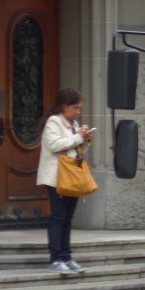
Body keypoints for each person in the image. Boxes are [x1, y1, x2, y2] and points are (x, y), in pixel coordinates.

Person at [36, 88, 94, 274]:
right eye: (75, 108)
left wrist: (85, 140)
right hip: (56, 177)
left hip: (70, 176)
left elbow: (74, 149)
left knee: (67, 218)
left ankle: (67, 257)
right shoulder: (54, 122)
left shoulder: (73, 123)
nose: (78, 111)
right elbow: (54, 145)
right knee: (59, 216)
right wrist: (78, 137)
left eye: (79, 108)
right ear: (64, 106)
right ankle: (56, 258)